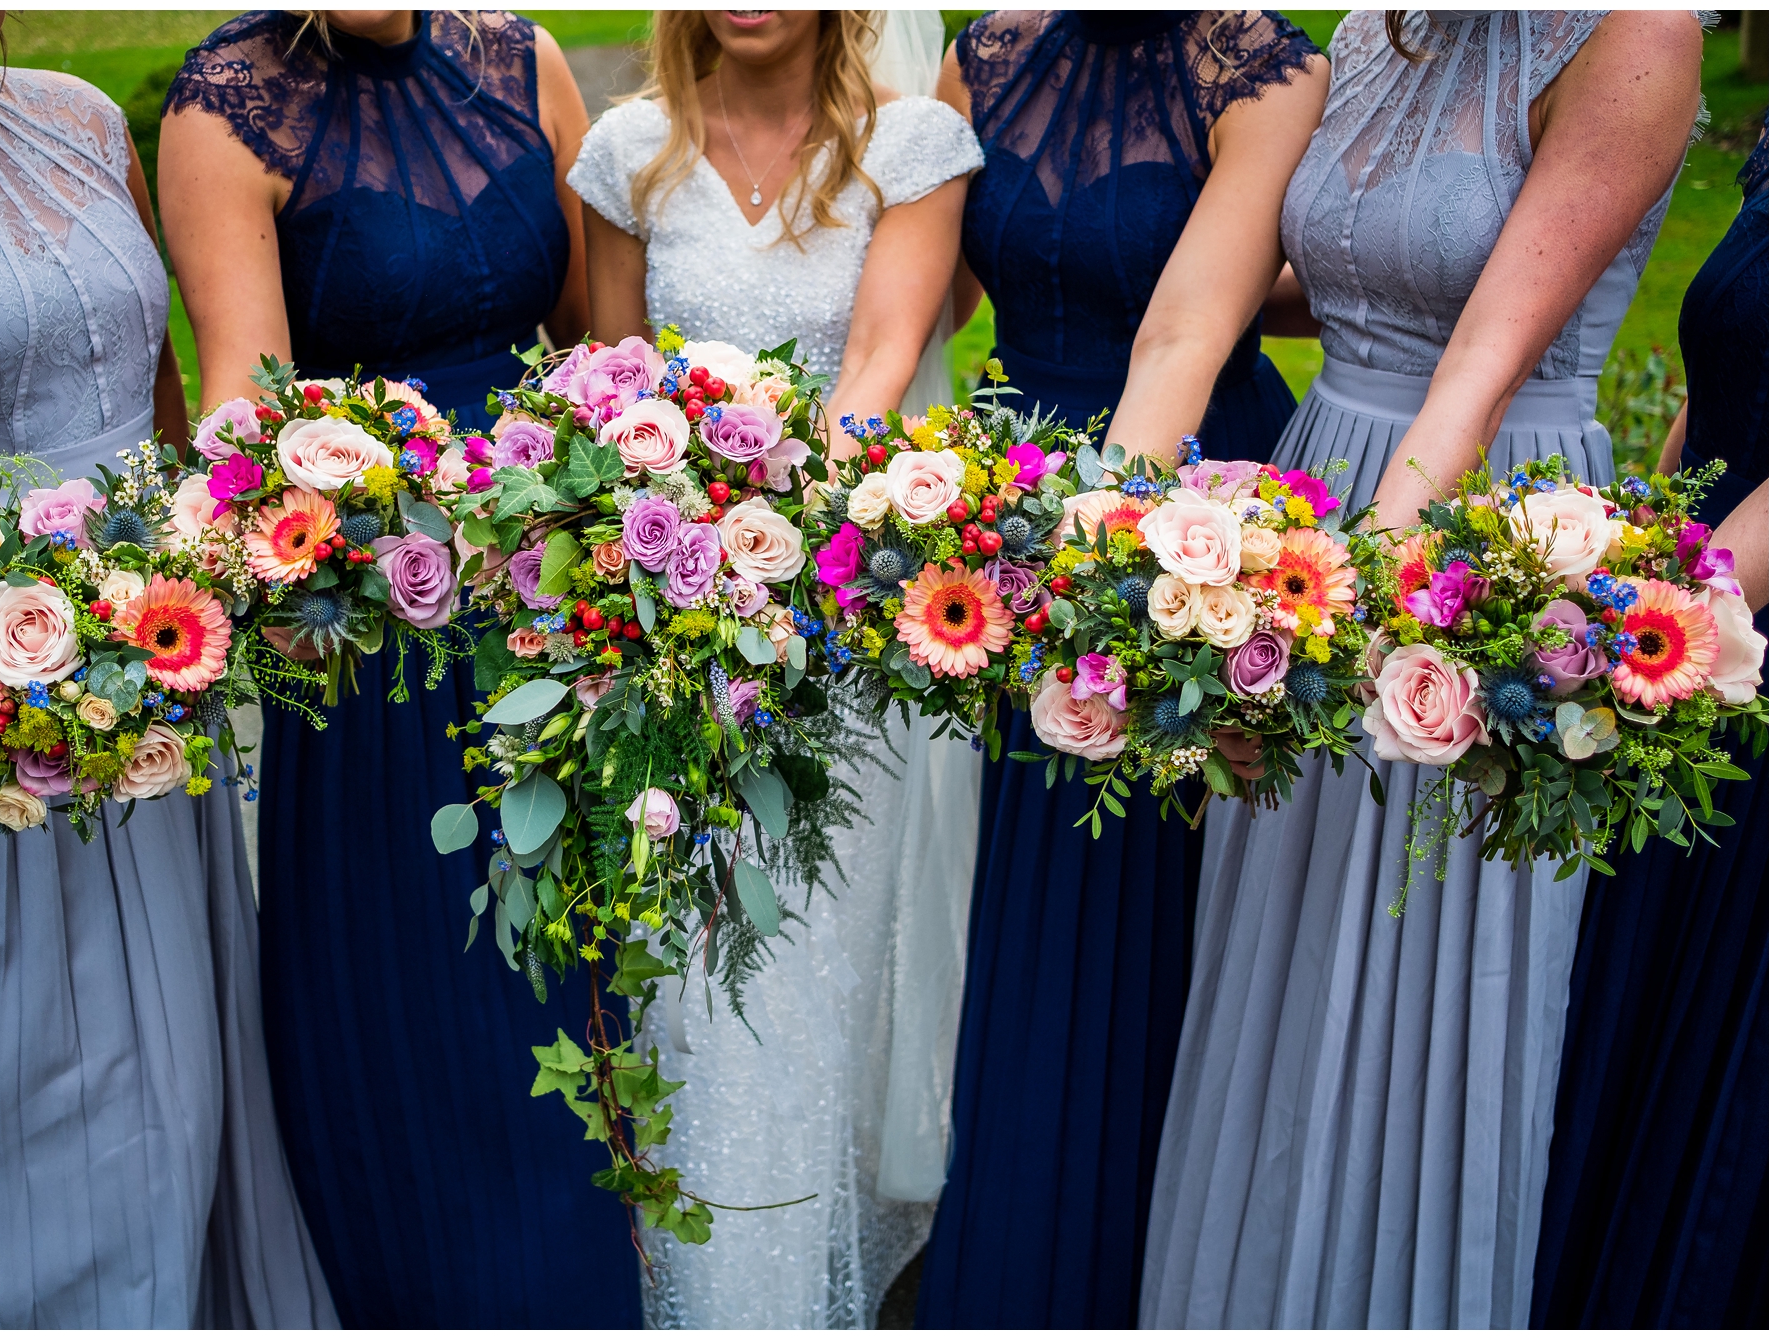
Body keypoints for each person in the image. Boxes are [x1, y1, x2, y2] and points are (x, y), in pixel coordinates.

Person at [1141, 11, 1705, 1329]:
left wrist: (1344, 611)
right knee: (1273, 952)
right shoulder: (1376, 27)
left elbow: (1485, 356)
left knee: (1429, 976)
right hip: (1321, 487)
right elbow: (1336, 262)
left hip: (1479, 536)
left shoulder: (1641, 34)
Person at [0, 10, 332, 1327]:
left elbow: (155, 403)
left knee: (168, 1066)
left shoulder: (87, 121)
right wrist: (21, 639)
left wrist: (198, 575)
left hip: (146, 666)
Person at [158, 11, 638, 1327]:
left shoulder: (521, 55)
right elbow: (242, 424)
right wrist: (405, 518)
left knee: (585, 996)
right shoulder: (225, 106)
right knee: (434, 1021)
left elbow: (600, 335)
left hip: (559, 594)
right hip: (378, 623)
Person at [567, 9, 982, 1326]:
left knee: (813, 957)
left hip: (841, 620)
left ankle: (809, 1266)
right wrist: (664, 596)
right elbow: (609, 389)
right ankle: (716, 1279)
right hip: (673, 627)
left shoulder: (910, 149)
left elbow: (876, 363)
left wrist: (776, 555)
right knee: (693, 967)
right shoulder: (627, 155)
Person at [914, 12, 1325, 1328]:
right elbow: (926, 297)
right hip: (1018, 494)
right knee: (1038, 884)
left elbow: (1181, 342)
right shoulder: (978, 58)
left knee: (1172, 896)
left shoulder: (1266, 70)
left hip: (1196, 494)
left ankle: (1166, 1262)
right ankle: (1029, 1256)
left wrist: (1104, 561)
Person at [1531, 120, 1768, 1328]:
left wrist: (1646, 619)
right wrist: (1627, 533)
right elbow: (1722, 393)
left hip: (1735, 637)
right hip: (1692, 613)